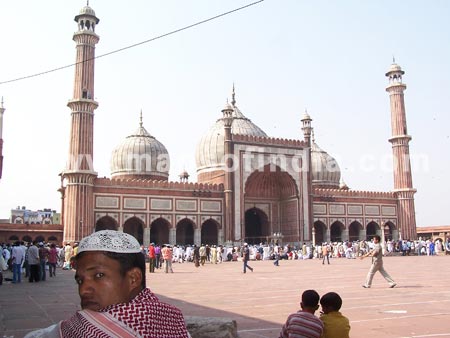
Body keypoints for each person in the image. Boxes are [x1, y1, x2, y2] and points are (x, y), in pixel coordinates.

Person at [24, 230, 190, 338]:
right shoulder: (172, 320)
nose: (83, 290)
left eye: (99, 275)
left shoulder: (80, 330)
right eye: (79, 280)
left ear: (133, 278)